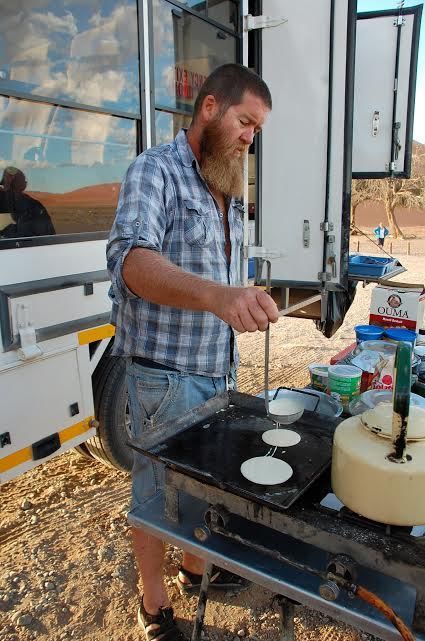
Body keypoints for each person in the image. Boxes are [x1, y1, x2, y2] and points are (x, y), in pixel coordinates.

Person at [107, 63, 278, 641]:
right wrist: (215, 295)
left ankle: (195, 567)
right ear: (210, 108)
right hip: (163, 378)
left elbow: (224, 278)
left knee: (206, 482)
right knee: (156, 497)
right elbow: (132, 261)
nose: (250, 137)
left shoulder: (227, 183)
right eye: (245, 122)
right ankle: (154, 608)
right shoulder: (155, 171)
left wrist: (244, 298)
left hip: (215, 373)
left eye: (257, 129)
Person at [0, 166, 55, 238]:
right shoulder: (33, 206)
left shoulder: (34, 208)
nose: (5, 190)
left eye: (7, 187)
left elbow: (47, 236)